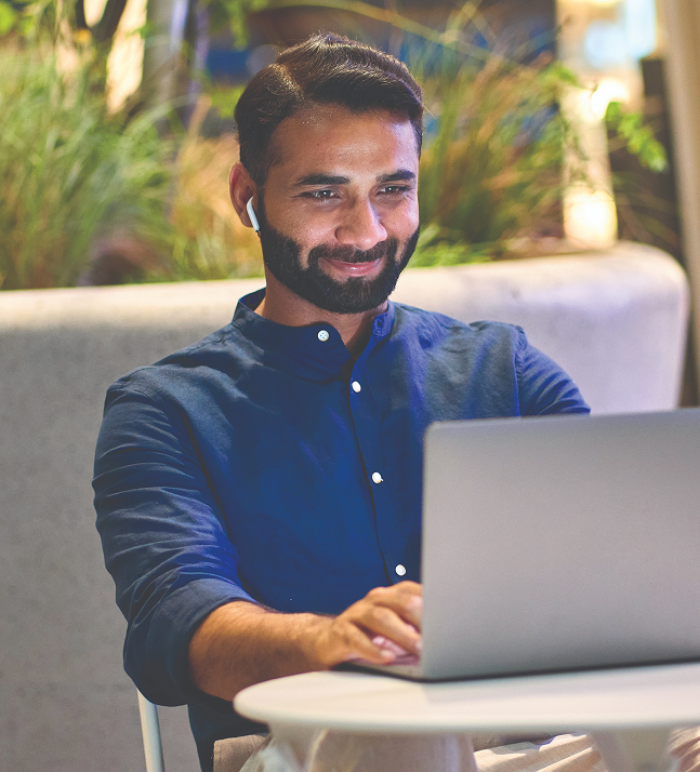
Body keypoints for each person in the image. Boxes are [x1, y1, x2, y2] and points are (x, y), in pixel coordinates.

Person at [93, 33, 590, 772]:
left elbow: (614, 567)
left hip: (534, 747)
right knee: (406, 746)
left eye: (393, 189)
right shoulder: (164, 411)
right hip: (303, 754)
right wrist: (332, 644)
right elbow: (178, 625)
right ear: (247, 198)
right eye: (325, 193)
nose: (366, 231)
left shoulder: (505, 371)